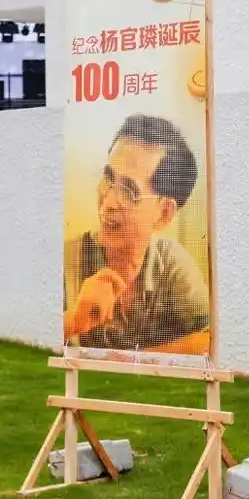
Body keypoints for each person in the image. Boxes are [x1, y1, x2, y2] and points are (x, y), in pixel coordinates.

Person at [63, 113, 210, 351]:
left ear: (164, 213)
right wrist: (73, 321)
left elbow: (209, 339)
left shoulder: (171, 261)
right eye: (108, 178)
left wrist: (131, 364)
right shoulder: (67, 260)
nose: (108, 202)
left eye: (128, 191)